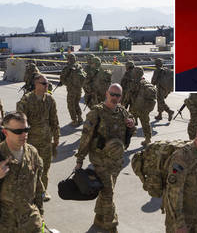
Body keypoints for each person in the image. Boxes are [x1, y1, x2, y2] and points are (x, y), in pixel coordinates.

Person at [74, 83, 136, 232]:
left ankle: (99, 219)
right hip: (100, 160)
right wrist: (79, 160)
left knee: (106, 190)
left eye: (118, 95)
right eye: (112, 94)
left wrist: (131, 125)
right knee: (109, 192)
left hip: (116, 161)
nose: (114, 98)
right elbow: (85, 137)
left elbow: (131, 129)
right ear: (106, 93)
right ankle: (110, 225)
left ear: (121, 97)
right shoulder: (96, 113)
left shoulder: (123, 112)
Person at [17, 74, 60, 201]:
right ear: (36, 84)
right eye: (44, 83)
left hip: (46, 141)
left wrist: (56, 138)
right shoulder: (26, 100)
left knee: (45, 168)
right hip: (31, 142)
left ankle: (42, 192)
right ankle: (30, 192)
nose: (47, 85)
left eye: (47, 83)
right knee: (31, 169)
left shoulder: (50, 100)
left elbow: (54, 120)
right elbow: (20, 121)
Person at [59, 53, 86, 126]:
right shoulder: (79, 67)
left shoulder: (68, 68)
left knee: (71, 105)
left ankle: (74, 120)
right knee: (76, 104)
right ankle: (80, 118)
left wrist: (66, 83)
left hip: (71, 90)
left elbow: (62, 78)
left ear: (68, 59)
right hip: (79, 90)